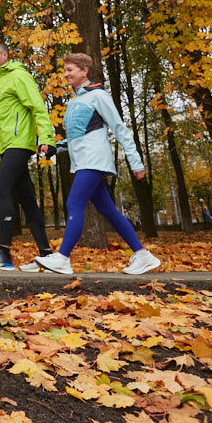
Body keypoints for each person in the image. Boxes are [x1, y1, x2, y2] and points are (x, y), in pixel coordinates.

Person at [35, 52, 161, 276]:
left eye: (70, 70)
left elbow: (119, 128)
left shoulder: (98, 96)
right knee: (108, 210)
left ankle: (63, 258)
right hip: (83, 160)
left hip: (94, 159)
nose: (66, 74)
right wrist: (56, 147)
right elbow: (77, 136)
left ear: (84, 71)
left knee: (74, 203)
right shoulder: (76, 102)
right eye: (65, 70)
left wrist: (136, 162)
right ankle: (143, 255)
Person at [0, 39, 55, 272]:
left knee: (1, 188)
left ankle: (3, 253)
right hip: (6, 146)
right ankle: (46, 254)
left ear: (5, 56)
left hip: (20, 143)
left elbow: (37, 107)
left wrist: (46, 138)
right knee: (26, 199)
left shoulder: (19, 76)